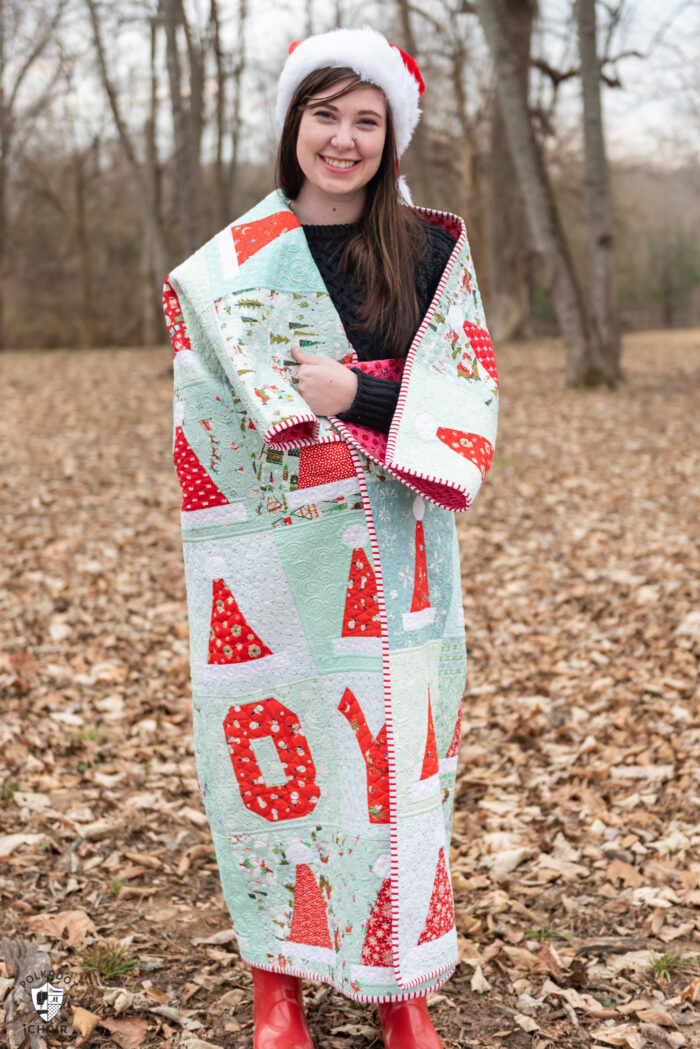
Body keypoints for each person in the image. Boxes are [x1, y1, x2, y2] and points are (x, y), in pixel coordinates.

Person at [163, 25, 499, 1049]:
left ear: (390, 135)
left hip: (398, 560)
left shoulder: (430, 247)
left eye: (366, 120)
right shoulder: (225, 272)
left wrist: (356, 388)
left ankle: (402, 988)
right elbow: (212, 422)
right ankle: (280, 983)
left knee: (397, 769)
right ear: (292, 127)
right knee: (270, 768)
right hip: (267, 559)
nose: (343, 139)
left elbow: (466, 392)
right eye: (325, 115)